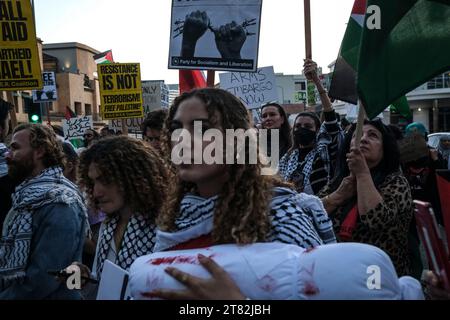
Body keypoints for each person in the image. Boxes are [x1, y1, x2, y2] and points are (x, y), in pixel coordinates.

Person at [157, 87, 335, 252]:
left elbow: (316, 283)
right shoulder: (174, 219)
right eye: (175, 128)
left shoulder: (282, 221)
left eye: (202, 129)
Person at [0, 124, 87, 299]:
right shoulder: (27, 196)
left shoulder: (60, 201)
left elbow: (46, 277)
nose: (8, 155)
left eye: (16, 148)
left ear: (39, 151)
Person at [72, 136, 168, 291]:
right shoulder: (108, 226)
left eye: (105, 180)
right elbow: (103, 284)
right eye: (93, 182)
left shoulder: (165, 230)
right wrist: (81, 278)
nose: (96, 192)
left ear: (133, 178)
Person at [318, 119, 413, 276]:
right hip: (337, 272)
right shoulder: (340, 180)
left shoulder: (396, 181)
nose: (363, 139)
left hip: (377, 276)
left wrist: (362, 173)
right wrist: (337, 196)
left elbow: (376, 219)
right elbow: (310, 216)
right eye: (357, 135)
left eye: (373, 135)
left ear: (385, 148)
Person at [279, 60, 341, 195]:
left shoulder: (323, 150)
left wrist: (316, 81)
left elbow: (330, 117)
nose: (302, 129)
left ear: (318, 131)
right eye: (298, 126)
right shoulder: (288, 157)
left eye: (308, 126)